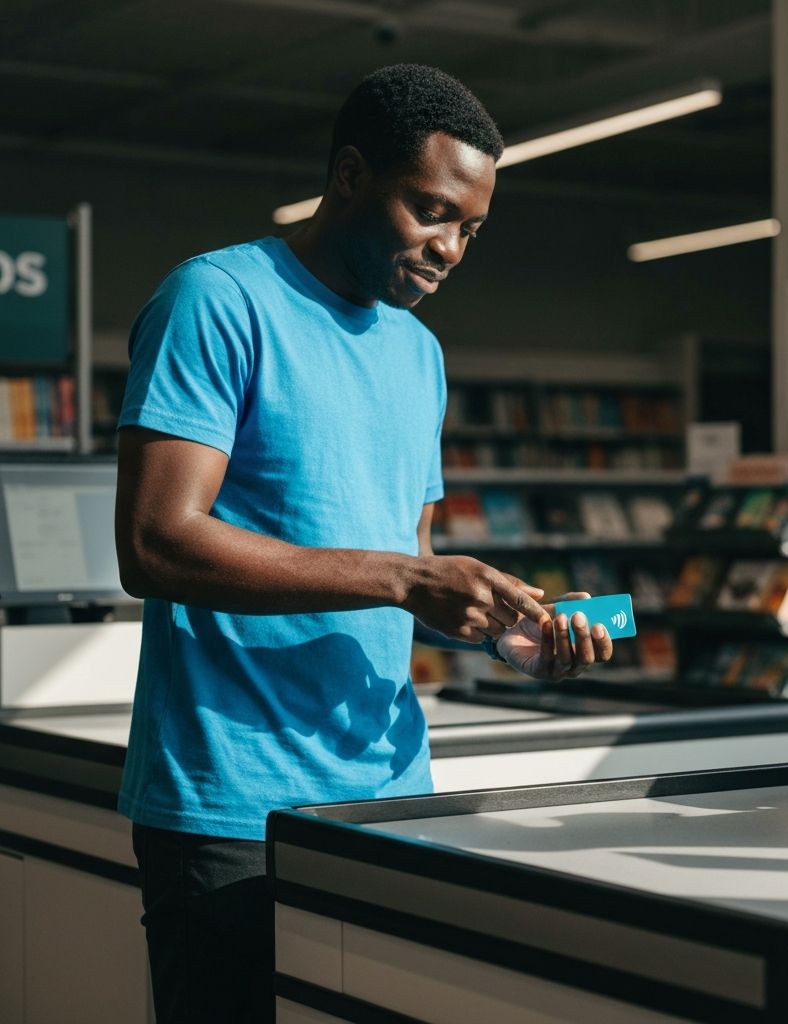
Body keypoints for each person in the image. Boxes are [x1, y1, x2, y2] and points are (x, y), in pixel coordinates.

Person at [115, 63, 614, 1023]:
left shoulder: (417, 352)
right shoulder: (216, 300)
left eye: (470, 228)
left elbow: (399, 574)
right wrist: (404, 577)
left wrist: (500, 634)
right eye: (430, 211)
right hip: (231, 806)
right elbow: (156, 545)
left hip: (389, 795)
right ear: (349, 175)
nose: (451, 248)